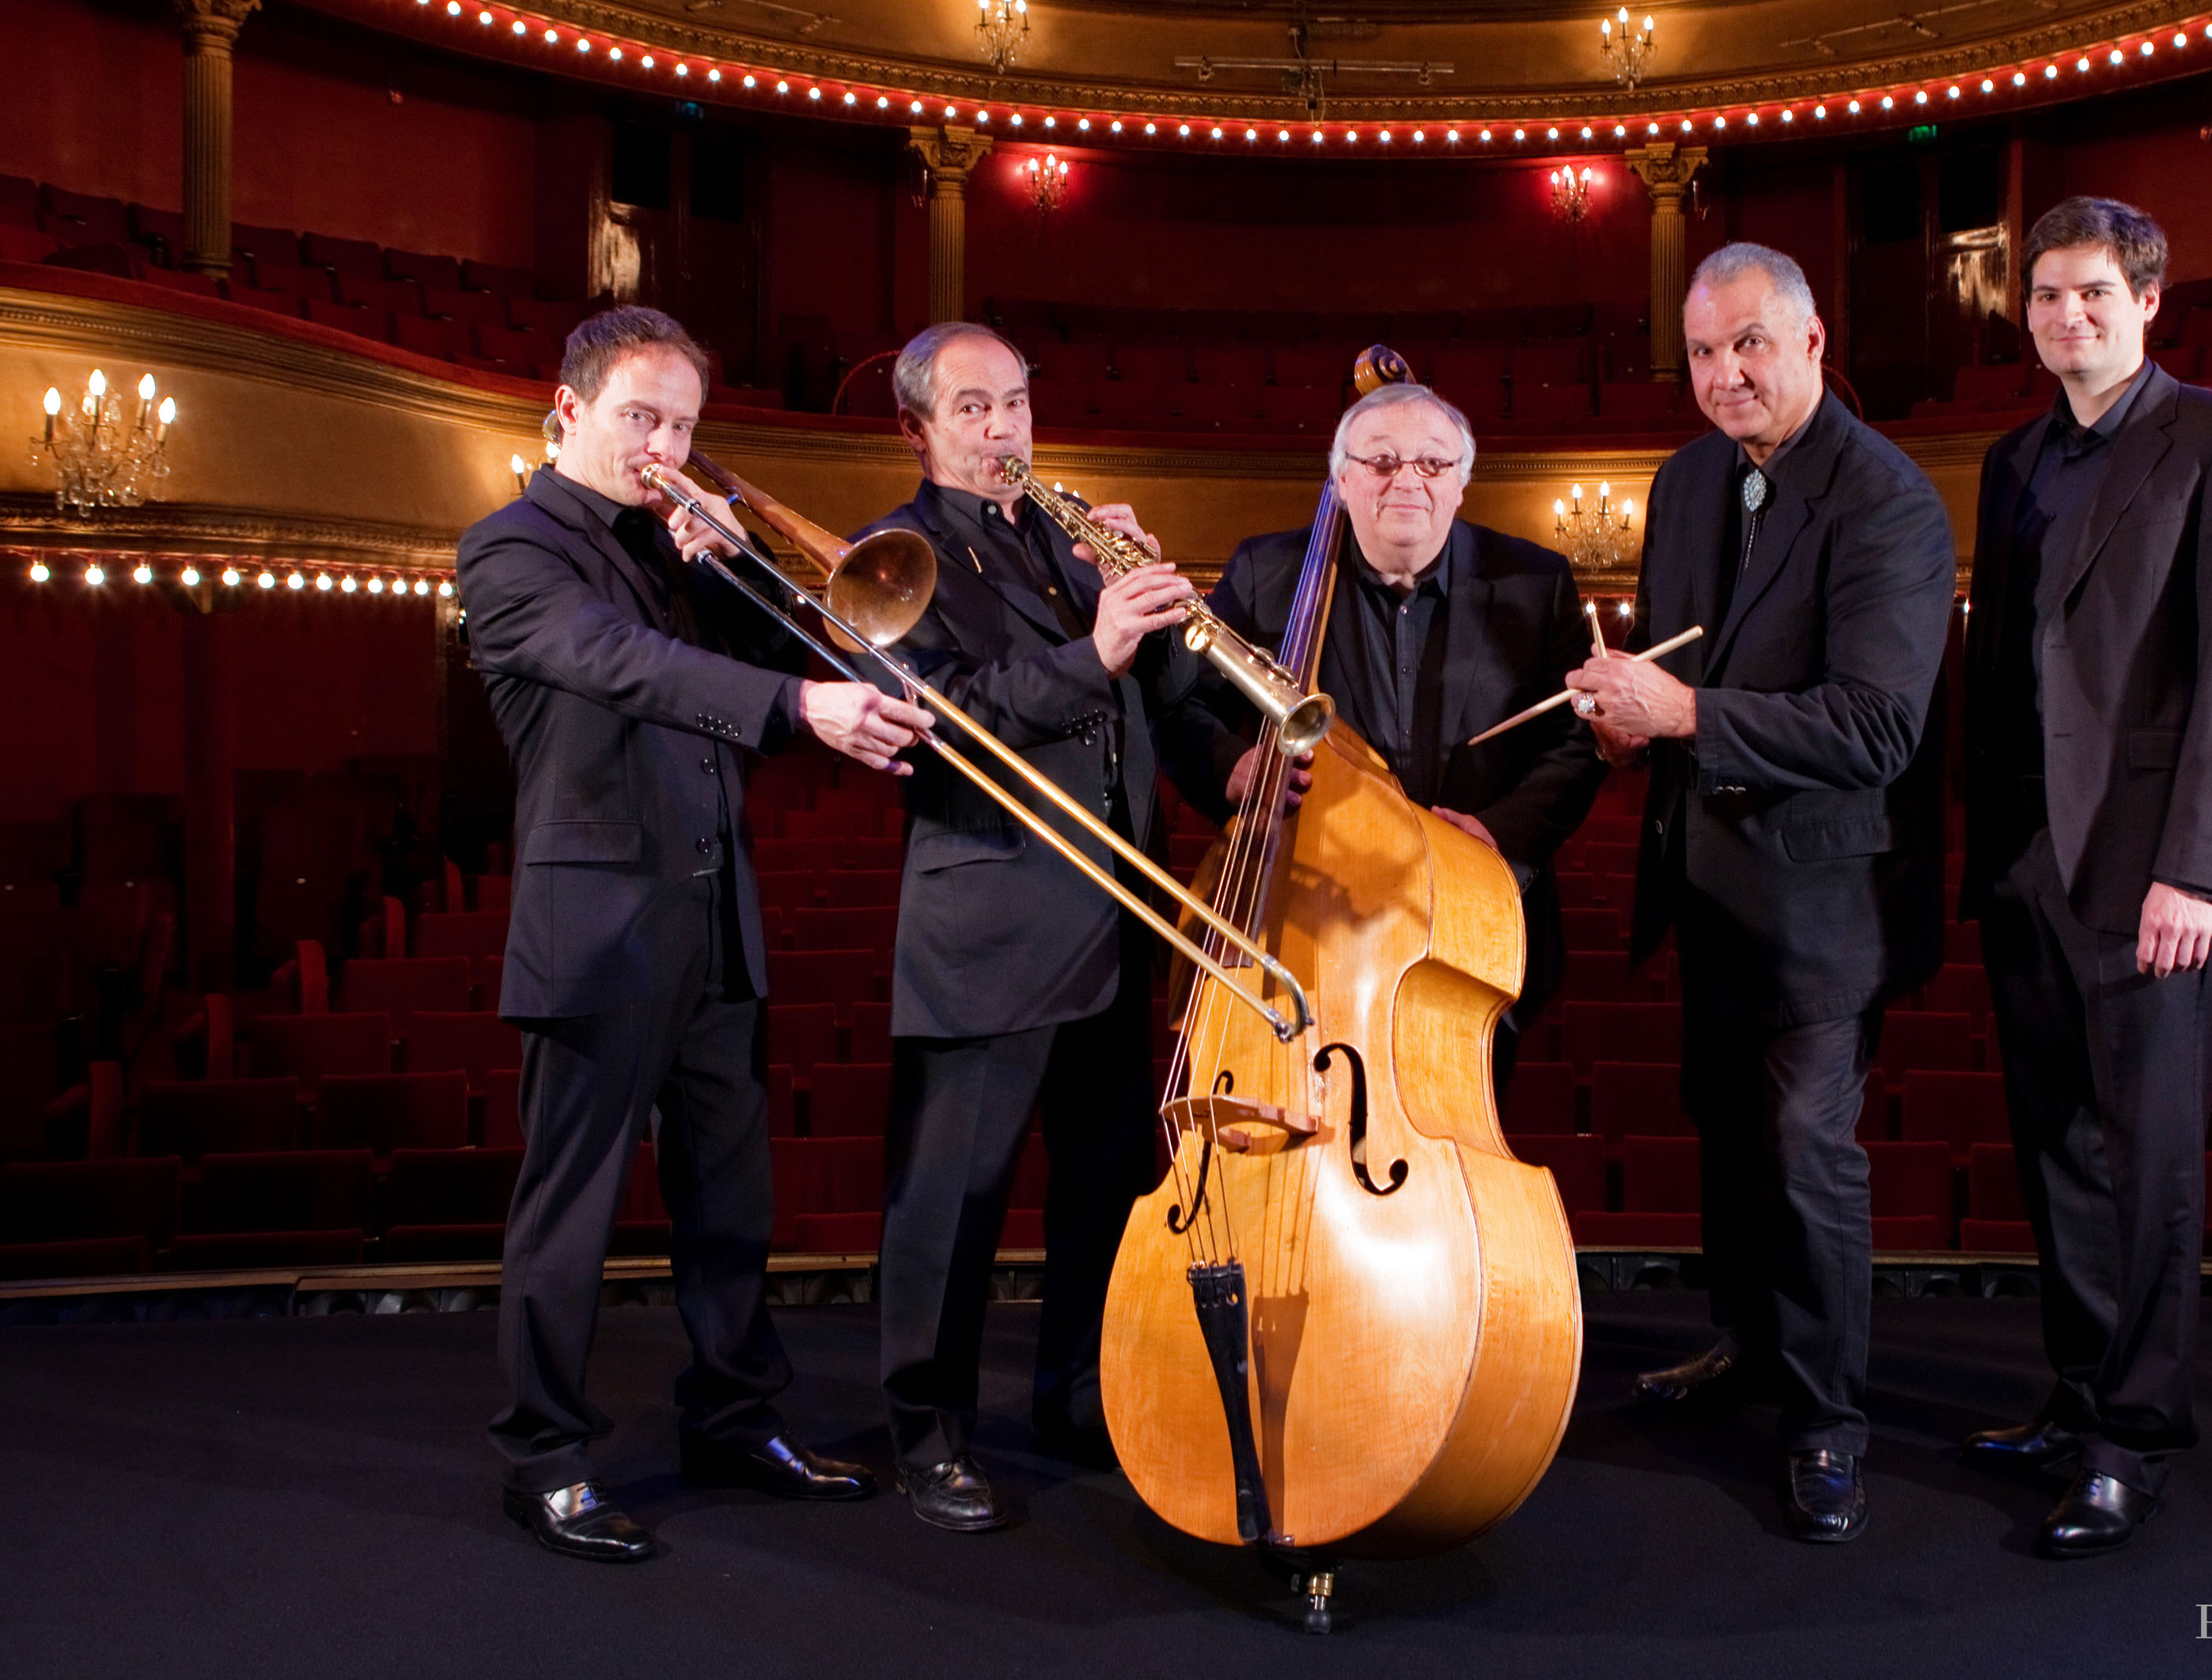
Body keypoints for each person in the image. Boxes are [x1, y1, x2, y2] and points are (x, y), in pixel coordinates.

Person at [458, 305, 934, 1562]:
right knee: (568, 1212)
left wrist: (732, 571)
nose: (664, 444)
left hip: (714, 912)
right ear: (568, 411)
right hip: (598, 923)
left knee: (733, 1200)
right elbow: (622, 667)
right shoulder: (508, 552)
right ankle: (545, 1456)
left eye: (680, 424)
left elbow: (814, 640)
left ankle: (733, 1417)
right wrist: (795, 706)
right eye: (640, 417)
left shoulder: (673, 552)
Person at [1565, 244, 1956, 1544]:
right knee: (1727, 1140)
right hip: (1708, 882)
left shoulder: (1886, 500)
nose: (1723, 373)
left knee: (1807, 1164)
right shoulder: (1685, 482)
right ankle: (1744, 1346)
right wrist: (1629, 721)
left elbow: (1876, 727)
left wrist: (1686, 712)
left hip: (1821, 904)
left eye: (1746, 345)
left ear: (1809, 341)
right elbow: (1680, 667)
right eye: (1700, 353)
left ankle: (1828, 1422)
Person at [1956, 195, 2212, 1557]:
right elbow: (1999, 674)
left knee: (2147, 1160)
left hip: (2150, 867)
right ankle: (2078, 1388)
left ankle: (2132, 1438)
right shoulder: (2009, 455)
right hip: (2031, 859)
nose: (2066, 317)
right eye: (2045, 295)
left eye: (2093, 294)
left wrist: (2197, 871)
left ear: (2147, 301)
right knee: (2056, 1150)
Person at [851, 320, 1206, 1534]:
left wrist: (1147, 625)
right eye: (972, 409)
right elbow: (942, 720)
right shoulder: (889, 558)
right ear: (917, 429)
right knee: (952, 1199)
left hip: (1115, 915)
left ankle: (1078, 1399)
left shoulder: (1063, 538)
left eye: (1014, 403)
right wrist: (1094, 647)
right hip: (991, 923)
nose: (1004, 428)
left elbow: (1135, 701)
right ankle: (927, 1430)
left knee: (1103, 1188)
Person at [1157, 381, 1608, 1093]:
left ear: (1461, 483)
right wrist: (1232, 767)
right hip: (1310, 924)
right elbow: (1180, 709)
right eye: (1382, 461)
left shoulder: (1533, 581)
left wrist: (1499, 837)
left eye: (1432, 464)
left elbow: (1577, 739)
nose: (1408, 480)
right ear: (1340, 480)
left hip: (1470, 932)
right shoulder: (1264, 572)